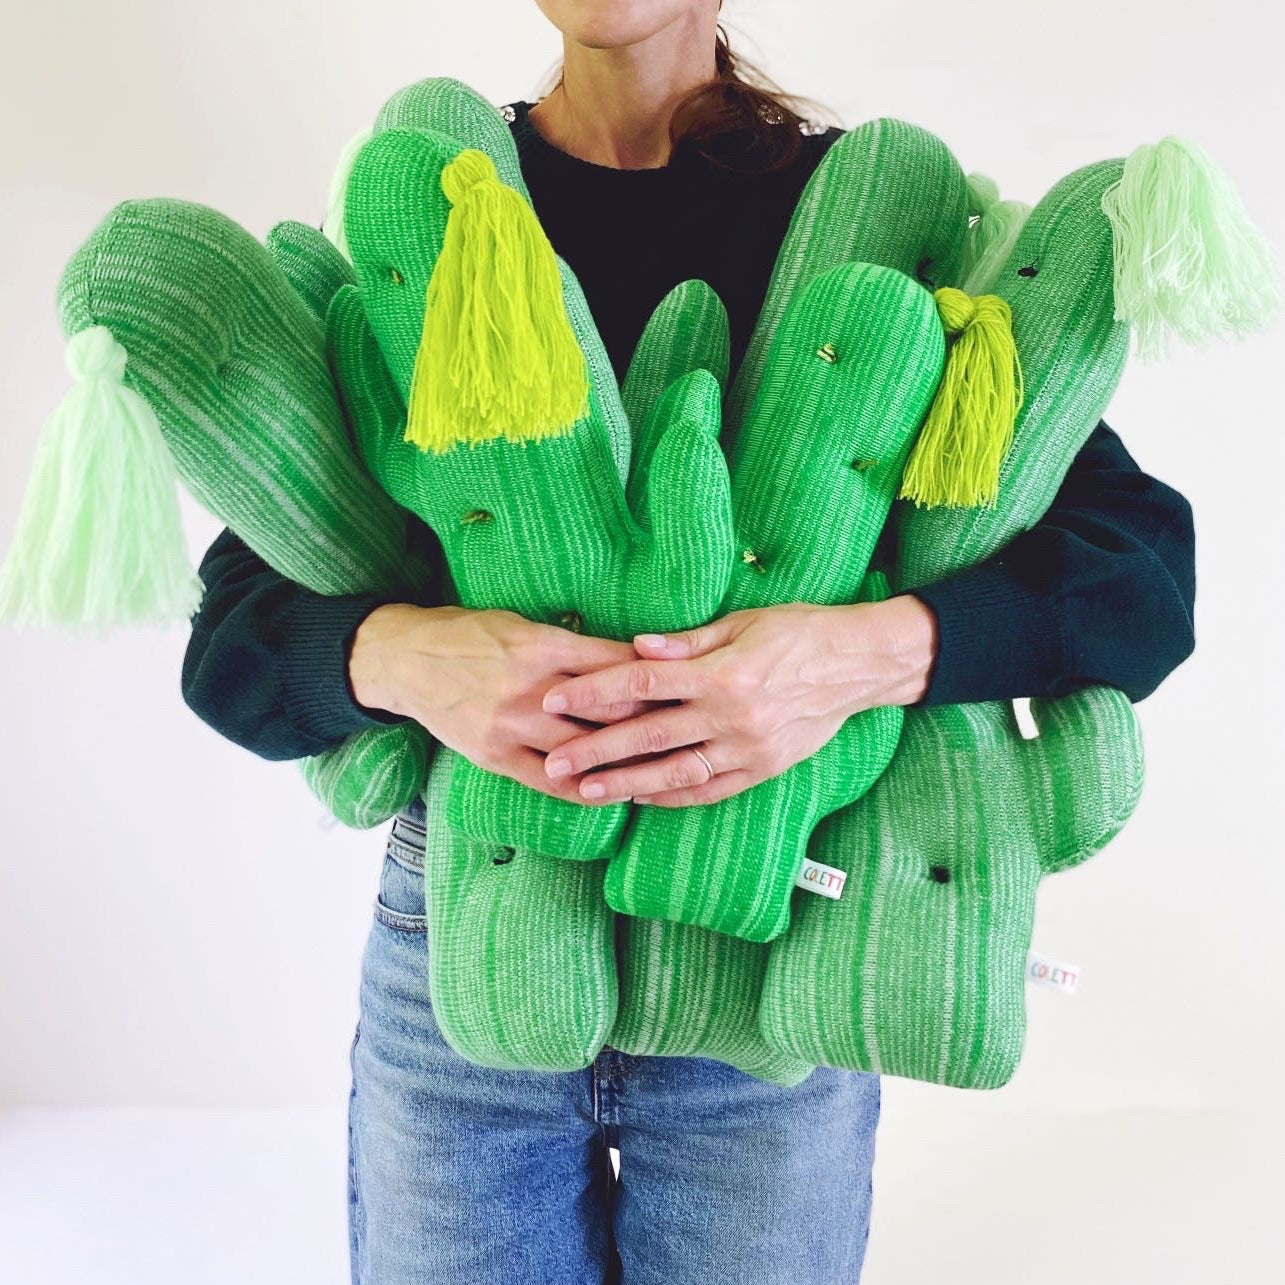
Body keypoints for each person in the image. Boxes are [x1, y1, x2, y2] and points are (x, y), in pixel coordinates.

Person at [181, 3, 1197, 1281]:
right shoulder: (442, 205)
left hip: (771, 940)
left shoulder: (878, 221)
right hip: (466, 942)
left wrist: (852, 656)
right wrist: (404, 654)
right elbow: (236, 627)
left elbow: (1139, 569)